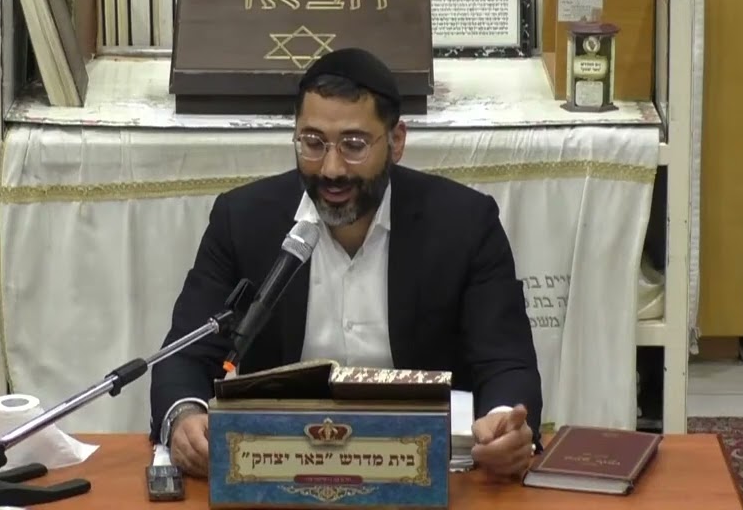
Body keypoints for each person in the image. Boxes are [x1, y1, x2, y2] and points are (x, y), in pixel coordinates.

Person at [149, 47, 542, 481]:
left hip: (425, 473)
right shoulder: (243, 220)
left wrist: (504, 426)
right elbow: (185, 355)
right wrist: (184, 417)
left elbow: (506, 363)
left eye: (354, 145)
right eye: (313, 143)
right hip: (278, 470)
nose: (332, 169)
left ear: (396, 141)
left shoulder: (465, 224)